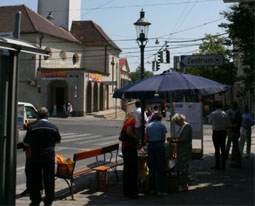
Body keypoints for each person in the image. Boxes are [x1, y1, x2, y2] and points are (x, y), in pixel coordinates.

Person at [24, 107, 61, 206]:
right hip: (48, 156)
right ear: (47, 115)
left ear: (38, 116)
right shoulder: (53, 127)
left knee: (35, 178)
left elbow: (26, 143)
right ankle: (49, 199)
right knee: (49, 177)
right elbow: (58, 140)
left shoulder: (32, 127)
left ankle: (36, 199)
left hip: (35, 156)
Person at [167, 113, 192, 192]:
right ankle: (182, 184)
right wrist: (173, 138)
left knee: (184, 168)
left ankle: (184, 185)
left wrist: (174, 140)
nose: (176, 124)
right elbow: (179, 137)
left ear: (181, 119)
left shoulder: (187, 126)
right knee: (181, 167)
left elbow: (184, 139)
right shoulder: (182, 127)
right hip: (180, 150)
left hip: (185, 150)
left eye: (176, 122)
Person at [145, 113, 168, 196]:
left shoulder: (148, 126)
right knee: (160, 168)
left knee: (152, 168)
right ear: (160, 118)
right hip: (159, 145)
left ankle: (152, 188)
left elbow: (146, 139)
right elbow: (163, 138)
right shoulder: (162, 126)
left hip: (151, 146)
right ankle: (161, 190)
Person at [119, 112, 139, 198]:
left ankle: (127, 191)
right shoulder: (131, 121)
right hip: (130, 148)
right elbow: (129, 132)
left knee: (127, 170)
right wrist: (136, 139)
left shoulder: (125, 123)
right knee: (132, 170)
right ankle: (133, 192)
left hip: (125, 148)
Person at [208, 102, 228, 170]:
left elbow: (210, 122)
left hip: (216, 132)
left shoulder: (213, 113)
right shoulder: (225, 113)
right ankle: (223, 165)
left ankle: (217, 164)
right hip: (223, 131)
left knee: (217, 149)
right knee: (223, 148)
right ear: (222, 107)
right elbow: (228, 123)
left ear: (215, 107)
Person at [229, 102, 242, 168]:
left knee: (236, 147)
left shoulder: (237, 113)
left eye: (232, 106)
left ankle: (237, 162)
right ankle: (235, 161)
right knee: (234, 147)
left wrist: (230, 126)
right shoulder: (236, 113)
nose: (231, 107)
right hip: (235, 131)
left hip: (235, 132)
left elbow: (236, 124)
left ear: (235, 106)